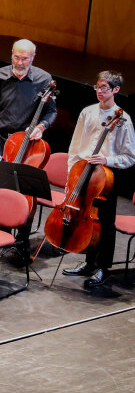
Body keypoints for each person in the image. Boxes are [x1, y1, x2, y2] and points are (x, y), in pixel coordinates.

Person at [61, 71, 135, 290]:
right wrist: (70, 176)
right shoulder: (87, 112)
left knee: (104, 223)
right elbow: (75, 146)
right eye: (97, 87)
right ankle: (89, 262)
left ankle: (103, 267)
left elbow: (130, 156)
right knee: (86, 218)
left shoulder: (123, 120)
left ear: (116, 90)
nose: (99, 91)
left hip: (106, 177)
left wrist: (107, 159)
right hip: (83, 171)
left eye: (104, 88)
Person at [0, 39, 58, 260]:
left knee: (26, 192)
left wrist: (41, 126)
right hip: (1, 139)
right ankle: (3, 235)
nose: (19, 62)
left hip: (28, 144)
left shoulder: (44, 79)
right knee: (1, 189)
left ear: (33, 57)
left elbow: (51, 112)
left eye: (24, 58)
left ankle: (23, 240)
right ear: (11, 54)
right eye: (16, 57)